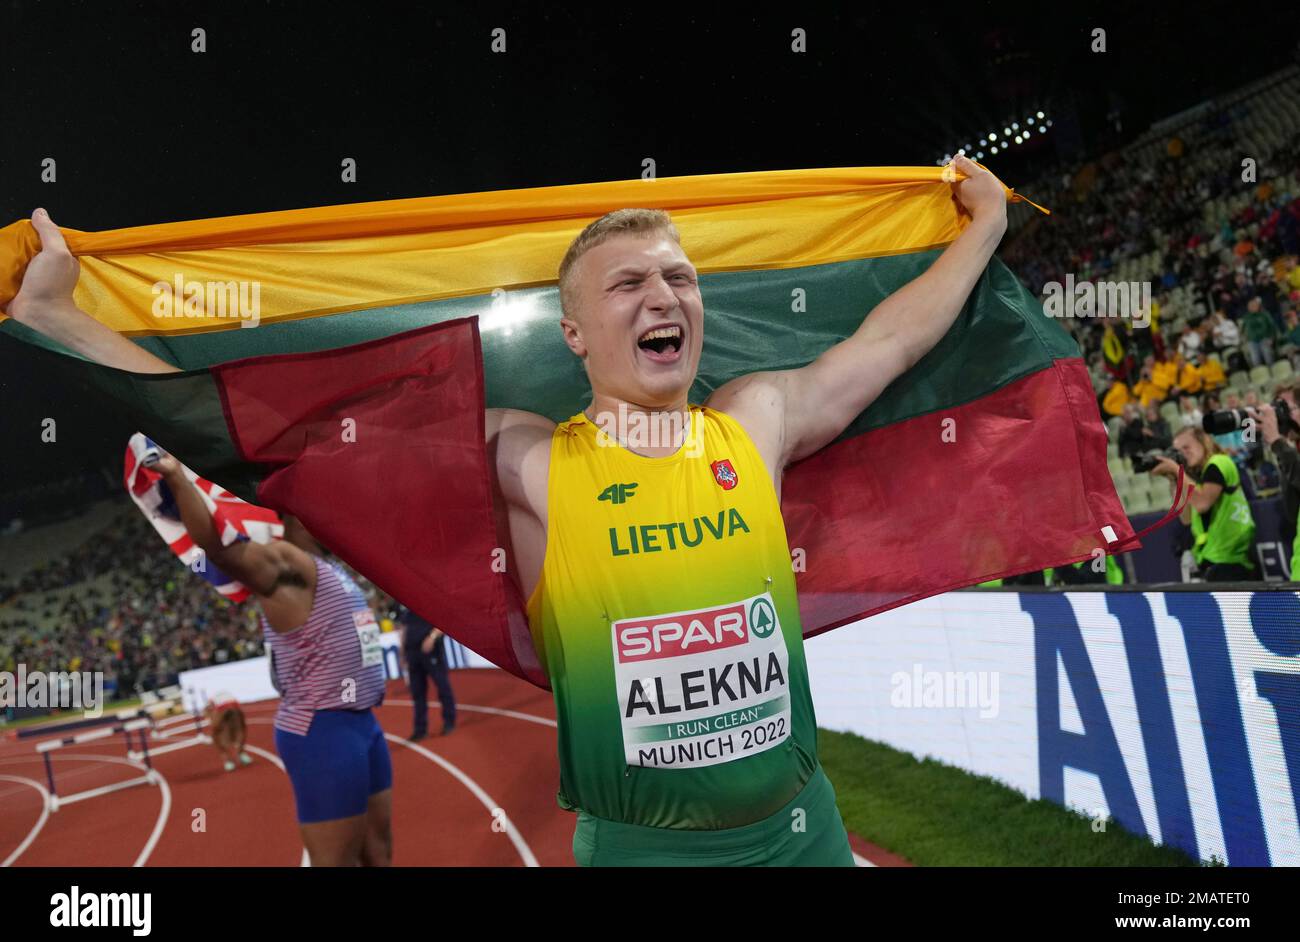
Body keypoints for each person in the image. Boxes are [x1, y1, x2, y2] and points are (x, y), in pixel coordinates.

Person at [8, 155, 1009, 866]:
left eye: (679, 277)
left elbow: (892, 343)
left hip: (805, 832)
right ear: (573, 332)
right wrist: (64, 319)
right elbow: (273, 434)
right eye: (629, 283)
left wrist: (986, 230)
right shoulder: (528, 459)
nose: (663, 295)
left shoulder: (756, 421)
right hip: (646, 853)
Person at [146, 455, 391, 866]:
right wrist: (175, 475)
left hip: (363, 722)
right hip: (323, 730)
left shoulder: (330, 568)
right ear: (295, 516)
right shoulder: (286, 565)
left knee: (379, 853)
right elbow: (220, 550)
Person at [1151, 427, 1258, 581]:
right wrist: (1174, 479)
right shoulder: (1196, 477)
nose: (1183, 453)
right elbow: (1186, 518)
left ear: (1203, 443)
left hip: (1231, 559)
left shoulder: (1219, 462)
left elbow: (1202, 504)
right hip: (1213, 558)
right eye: (1178, 451)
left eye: (1187, 447)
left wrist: (1177, 471)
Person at [1250, 380, 1300, 580]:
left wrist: (1279, 444)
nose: (1282, 416)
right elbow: (1292, 511)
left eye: (1287, 409)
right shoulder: (1292, 452)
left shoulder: (1288, 452)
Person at [399, 605, 456, 740]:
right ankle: (420, 729)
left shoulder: (430, 600)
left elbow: (445, 620)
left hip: (431, 651)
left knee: (442, 686)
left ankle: (449, 720)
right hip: (412, 653)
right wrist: (402, 653)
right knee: (417, 693)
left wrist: (432, 637)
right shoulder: (405, 605)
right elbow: (404, 628)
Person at [205, 691, 252, 772]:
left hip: (230, 707)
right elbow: (215, 730)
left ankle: (241, 754)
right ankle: (227, 760)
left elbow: (242, 728)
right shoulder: (216, 713)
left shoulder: (237, 713)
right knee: (216, 731)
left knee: (240, 728)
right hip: (219, 708)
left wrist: (240, 749)